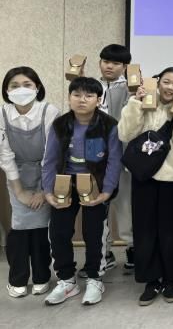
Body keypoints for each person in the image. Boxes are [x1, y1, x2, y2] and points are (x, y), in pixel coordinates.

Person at [118, 67, 173, 306]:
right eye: (166, 81)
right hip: (143, 176)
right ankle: (151, 280)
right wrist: (136, 103)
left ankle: (170, 279)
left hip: (172, 178)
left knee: (171, 231)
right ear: (157, 82)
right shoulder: (142, 102)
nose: (170, 87)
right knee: (144, 231)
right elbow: (125, 134)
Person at [42, 77, 123, 306]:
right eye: (76, 94)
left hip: (96, 184)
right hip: (64, 183)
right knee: (59, 232)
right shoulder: (60, 125)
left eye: (88, 95)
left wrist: (107, 192)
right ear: (69, 98)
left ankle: (95, 278)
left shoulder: (109, 125)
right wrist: (48, 191)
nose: (82, 100)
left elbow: (114, 160)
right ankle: (67, 280)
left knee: (94, 233)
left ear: (99, 99)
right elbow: (49, 160)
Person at [1, 67, 59, 298]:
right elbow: (5, 155)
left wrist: (44, 191)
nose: (21, 89)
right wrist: (20, 192)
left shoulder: (49, 111)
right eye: (14, 85)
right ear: (6, 90)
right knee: (19, 226)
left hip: (47, 174)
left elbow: (52, 154)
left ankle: (42, 277)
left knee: (42, 227)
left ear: (37, 88)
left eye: (27, 84)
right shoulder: (2, 113)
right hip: (16, 175)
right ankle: (17, 278)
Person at [95, 44, 131, 276]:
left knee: (126, 205)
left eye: (116, 63)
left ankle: (132, 248)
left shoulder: (131, 88)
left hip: (124, 157)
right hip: (97, 159)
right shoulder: (90, 87)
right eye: (106, 61)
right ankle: (104, 253)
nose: (110, 66)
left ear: (125, 67)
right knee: (99, 207)